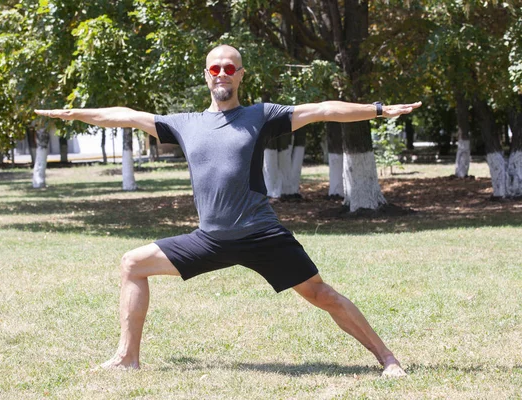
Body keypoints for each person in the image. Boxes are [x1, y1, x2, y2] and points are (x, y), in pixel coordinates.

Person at [35, 44, 421, 377]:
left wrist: (378, 109)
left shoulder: (260, 116)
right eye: (216, 68)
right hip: (210, 239)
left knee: (321, 294)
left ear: (240, 75)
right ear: (206, 75)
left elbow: (322, 109)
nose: (222, 73)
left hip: (260, 234)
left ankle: (387, 358)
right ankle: (126, 359)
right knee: (133, 264)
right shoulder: (184, 124)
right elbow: (125, 115)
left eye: (230, 68)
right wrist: (77, 114)